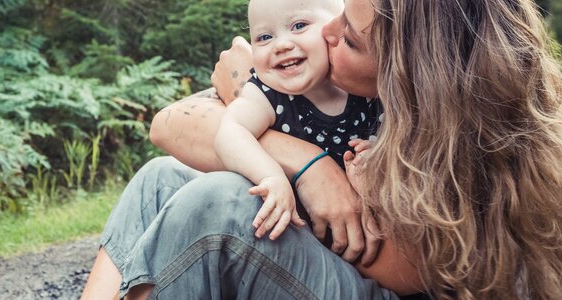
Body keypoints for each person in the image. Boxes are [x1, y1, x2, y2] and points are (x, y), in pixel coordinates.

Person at [81, 0, 562, 299]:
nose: (328, 36)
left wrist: (355, 194)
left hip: (394, 285)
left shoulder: (455, 135)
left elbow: (398, 270)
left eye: (348, 37)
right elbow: (169, 127)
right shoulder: (306, 83)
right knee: (160, 177)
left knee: (220, 204)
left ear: (406, 71)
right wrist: (308, 167)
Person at [215, 0, 381, 241]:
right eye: (263, 37)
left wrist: (380, 153)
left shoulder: (366, 85)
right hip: (295, 231)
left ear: (336, 29)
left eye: (299, 26)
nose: (280, 45)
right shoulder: (267, 93)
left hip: (368, 242)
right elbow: (231, 131)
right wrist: (270, 176)